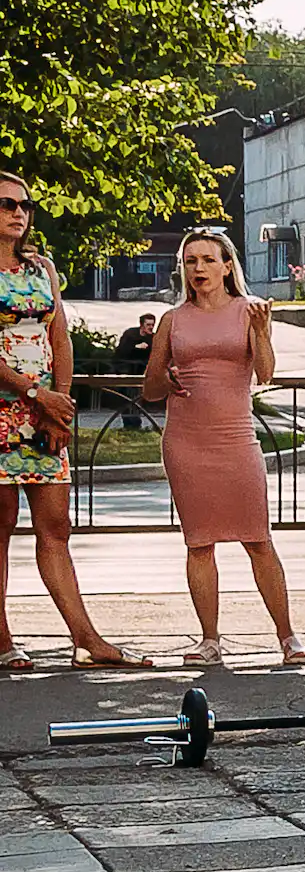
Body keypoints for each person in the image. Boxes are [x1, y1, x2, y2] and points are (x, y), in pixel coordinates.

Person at [142, 227, 305, 667]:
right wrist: (168, 376)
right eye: (191, 260)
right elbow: (151, 389)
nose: (199, 268)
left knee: (258, 540)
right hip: (186, 440)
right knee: (199, 544)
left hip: (235, 439)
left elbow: (267, 374)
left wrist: (263, 330)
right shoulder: (172, 320)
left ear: (227, 266)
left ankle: (288, 636)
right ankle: (210, 640)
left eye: (208, 260)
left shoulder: (249, 311)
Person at [0, 171, 149, 668]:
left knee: (56, 527)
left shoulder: (42, 268)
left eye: (24, 205)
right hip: (5, 409)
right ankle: (1, 641)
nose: (18, 213)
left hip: (45, 415)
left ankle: (86, 639)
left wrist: (61, 404)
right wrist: (33, 392)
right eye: (6, 204)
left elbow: (59, 339)